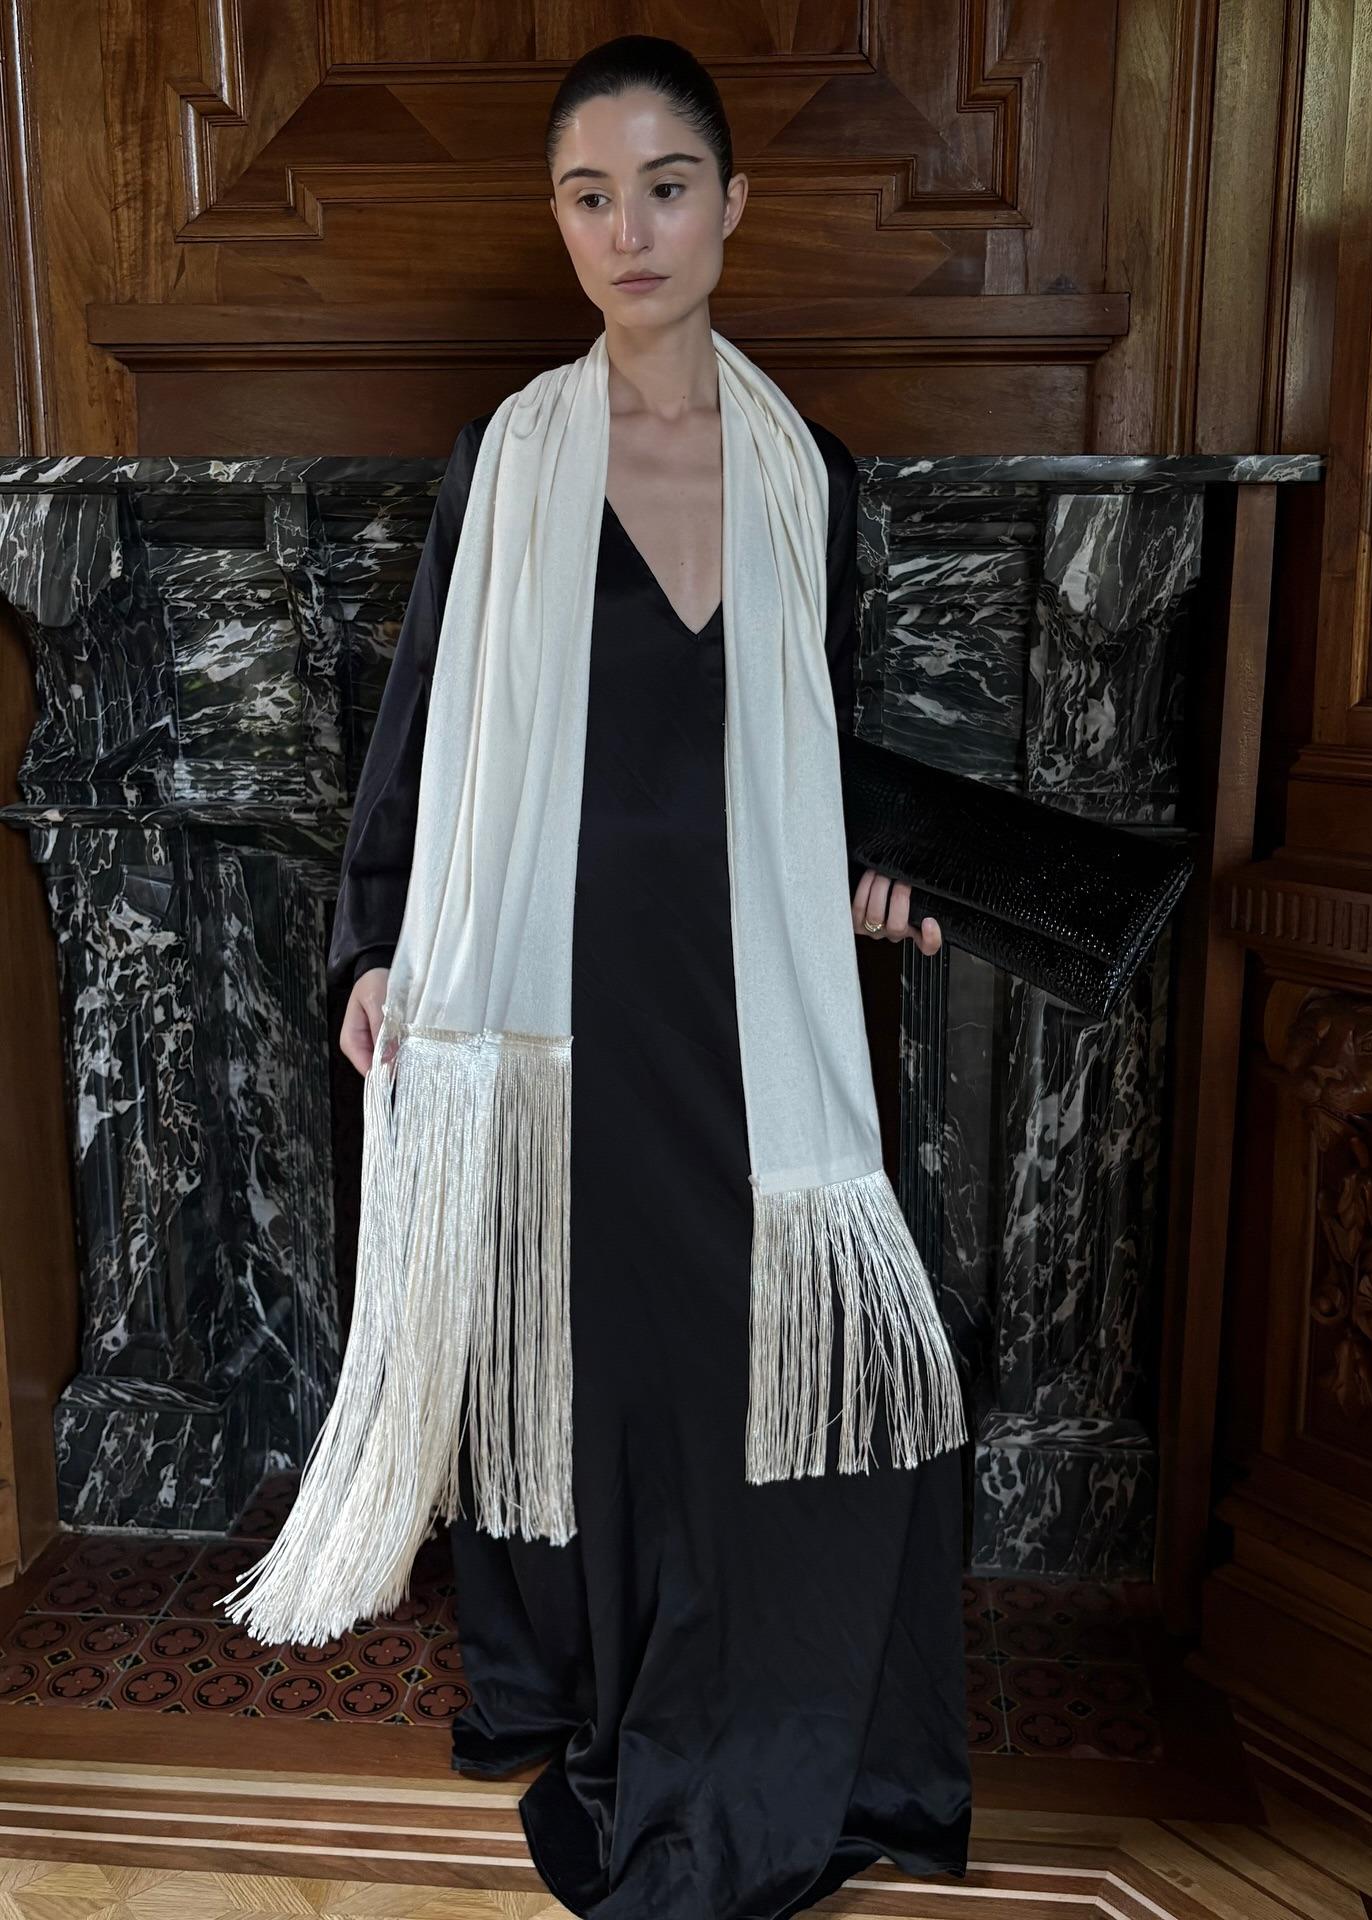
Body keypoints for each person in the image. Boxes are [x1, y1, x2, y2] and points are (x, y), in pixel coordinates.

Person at [326, 34, 971, 1920]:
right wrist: (374, 941)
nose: (632, 231)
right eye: (591, 196)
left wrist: (874, 886)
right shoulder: (511, 460)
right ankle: (605, 1678)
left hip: (751, 1002)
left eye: (666, 187)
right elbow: (422, 722)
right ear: (561, 222)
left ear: (730, 205)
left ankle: (782, 1711)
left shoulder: (806, 471)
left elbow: (818, 748)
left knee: (811, 1374)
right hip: (561, 1013)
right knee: (599, 1368)